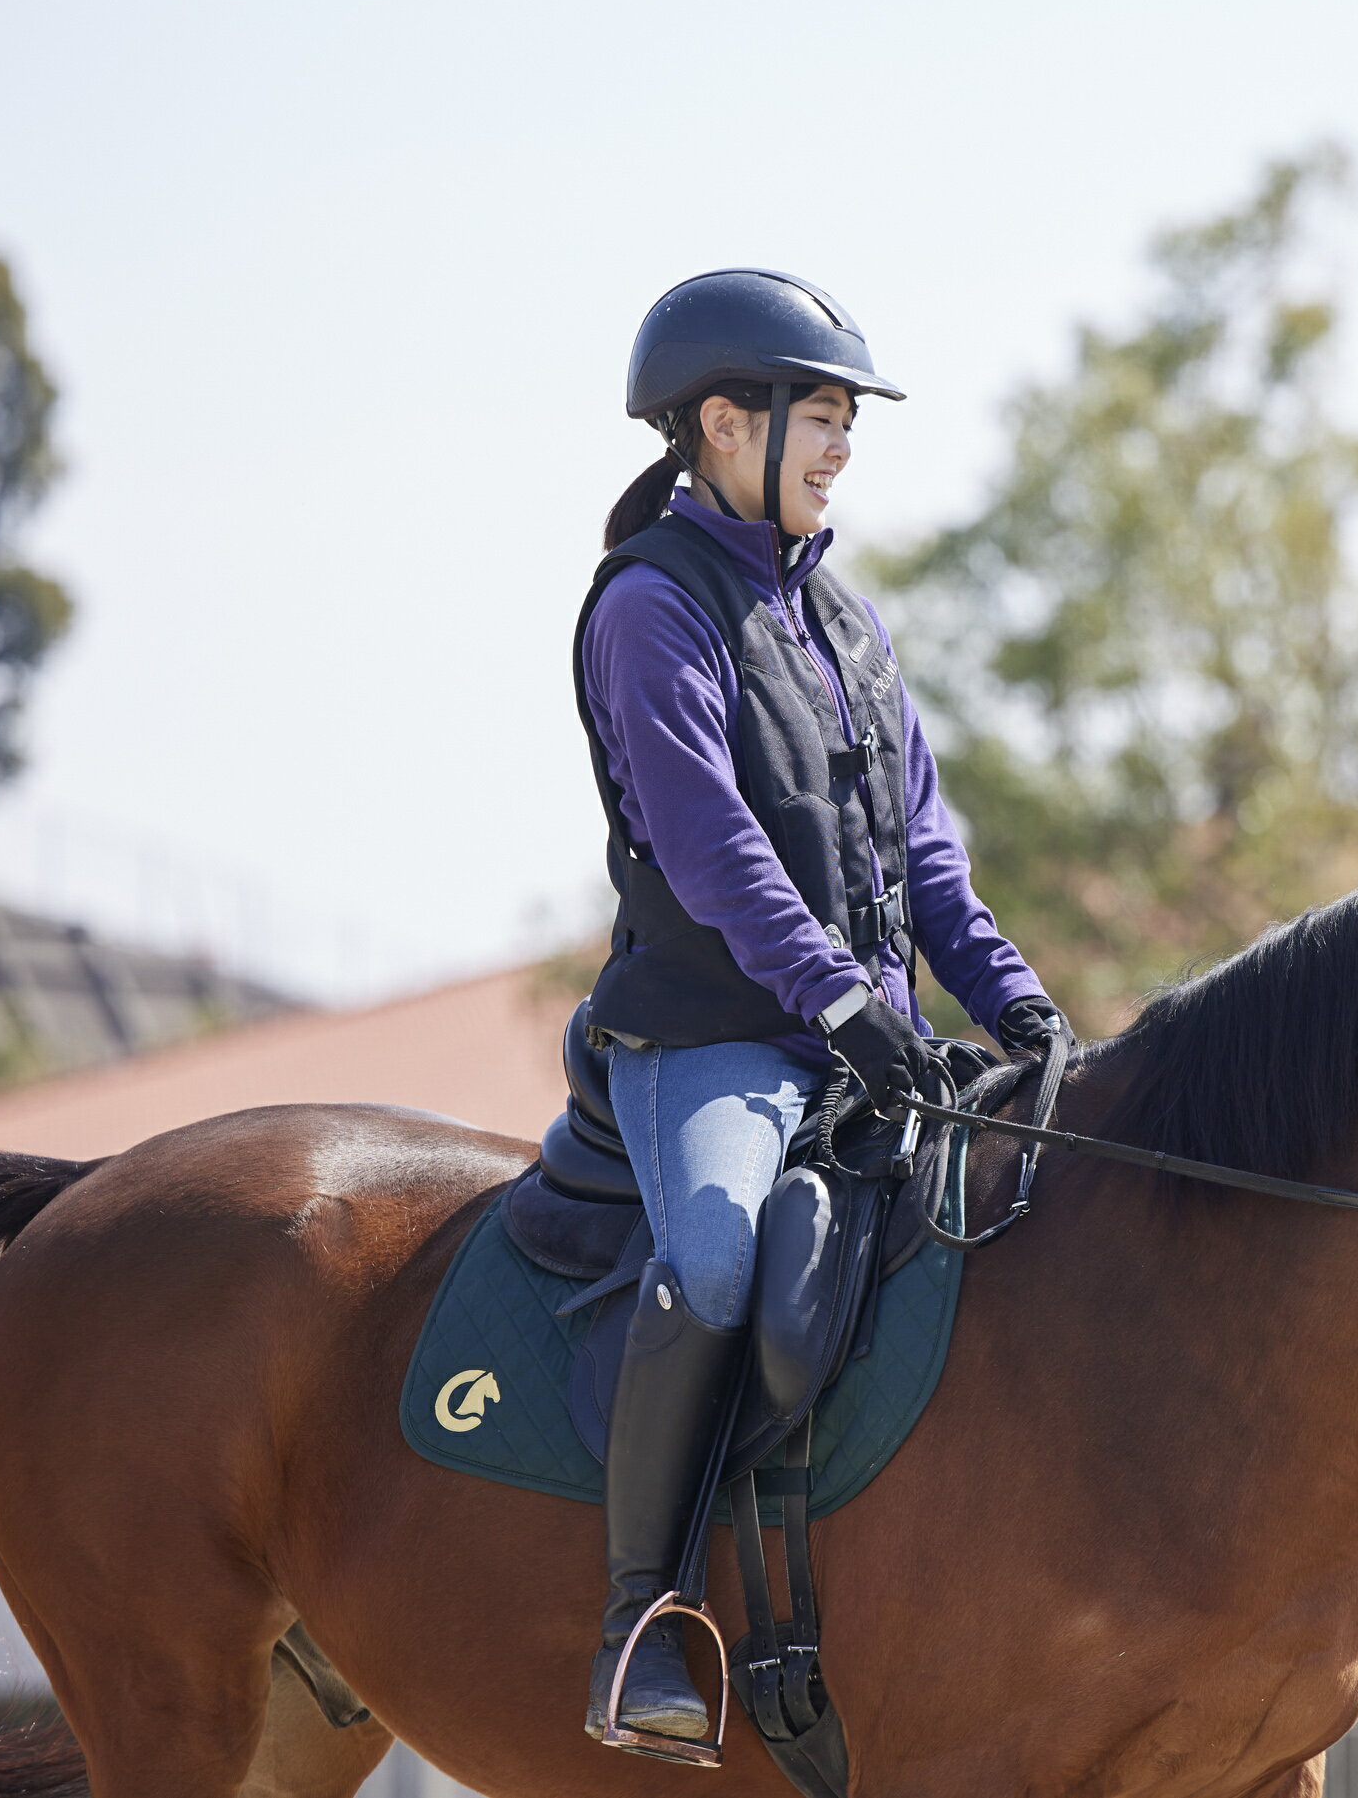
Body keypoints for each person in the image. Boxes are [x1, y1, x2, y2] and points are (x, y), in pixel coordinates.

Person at [573, 267, 1061, 1753]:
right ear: (726, 424)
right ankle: (640, 1617)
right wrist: (843, 998)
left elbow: (922, 853)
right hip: (711, 1042)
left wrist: (1022, 1008)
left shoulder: (847, 623)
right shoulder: (651, 608)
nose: (843, 448)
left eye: (850, 421)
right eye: (824, 418)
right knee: (718, 1261)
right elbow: (714, 848)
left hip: (858, 1043)